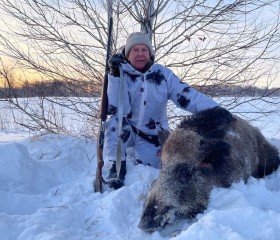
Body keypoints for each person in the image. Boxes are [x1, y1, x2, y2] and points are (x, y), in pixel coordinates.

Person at [104, 32, 219, 189]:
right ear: (127, 54)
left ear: (150, 53)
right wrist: (115, 77)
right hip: (128, 131)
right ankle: (118, 166)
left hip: (153, 135)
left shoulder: (163, 75)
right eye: (135, 50)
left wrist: (215, 110)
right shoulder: (119, 73)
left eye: (144, 50)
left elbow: (187, 96)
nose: (140, 54)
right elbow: (116, 108)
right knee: (115, 123)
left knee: (157, 165)